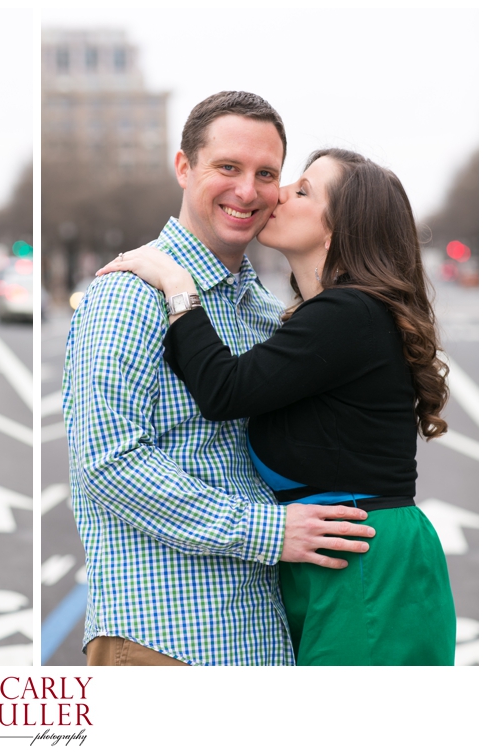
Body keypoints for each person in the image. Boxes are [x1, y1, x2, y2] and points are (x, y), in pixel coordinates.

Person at [98, 148, 456, 665]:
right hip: (338, 549)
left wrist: (178, 286)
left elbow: (225, 390)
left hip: (365, 560)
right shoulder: (329, 313)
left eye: (303, 190)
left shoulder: (348, 311)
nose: (280, 193)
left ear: (338, 230)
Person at [63, 91, 374, 666]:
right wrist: (270, 531)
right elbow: (107, 462)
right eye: (227, 167)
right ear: (184, 167)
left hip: (262, 633)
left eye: (267, 174)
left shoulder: (262, 307)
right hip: (163, 635)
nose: (248, 190)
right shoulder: (127, 294)